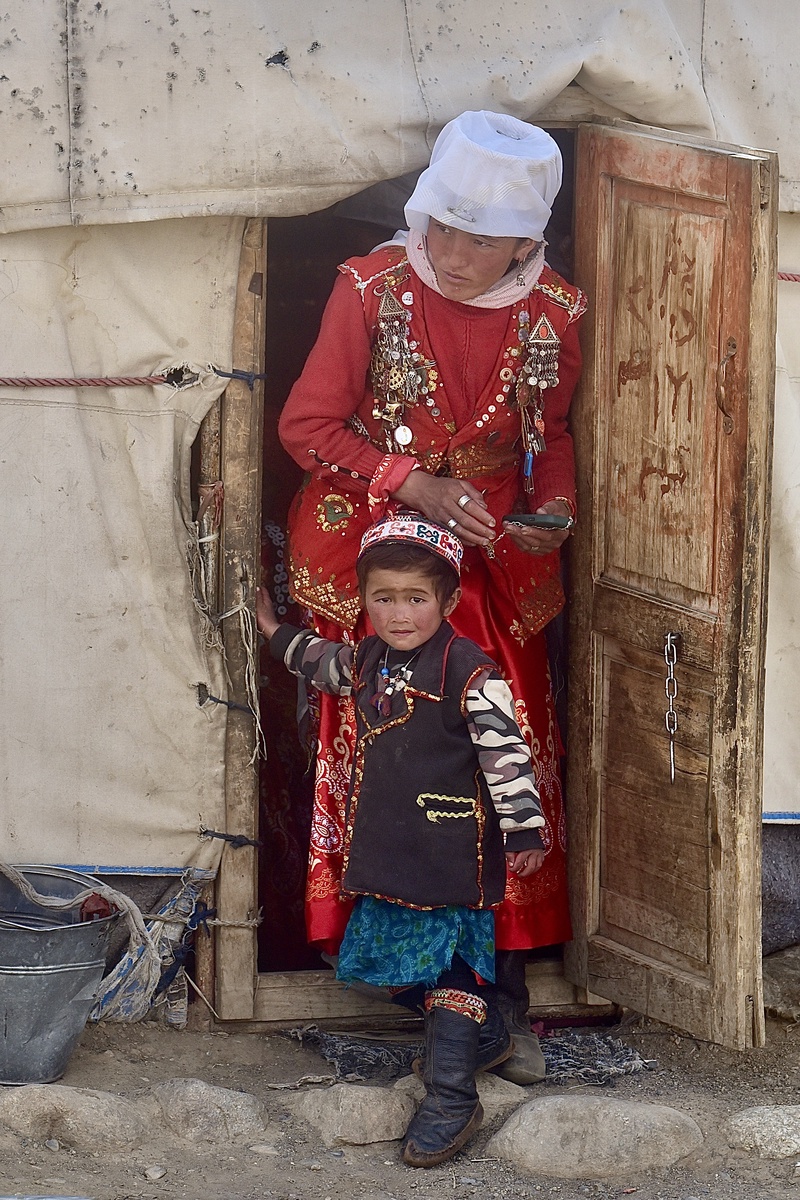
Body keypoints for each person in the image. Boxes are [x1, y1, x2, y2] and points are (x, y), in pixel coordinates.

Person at [278, 110, 586, 1080]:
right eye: (438, 227)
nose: (448, 254)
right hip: (382, 550)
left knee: (499, 748)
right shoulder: (367, 290)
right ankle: (404, 972)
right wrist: (413, 487)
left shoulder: (554, 316)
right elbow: (305, 426)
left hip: (490, 563)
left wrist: (550, 508)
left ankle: (497, 971)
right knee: (392, 752)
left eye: (479, 239)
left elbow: (555, 434)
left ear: (527, 243)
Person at [256, 515, 546, 1166]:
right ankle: (485, 1027)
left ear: (447, 603)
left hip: (451, 853)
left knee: (449, 969)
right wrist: (274, 631)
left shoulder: (471, 672)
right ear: (364, 600)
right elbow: (321, 663)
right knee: (374, 963)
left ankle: (450, 1096)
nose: (399, 613)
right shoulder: (372, 664)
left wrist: (523, 826)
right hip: (391, 851)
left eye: (416, 599)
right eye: (383, 597)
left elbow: (507, 755)